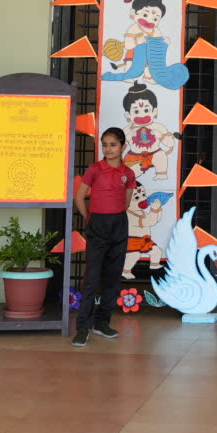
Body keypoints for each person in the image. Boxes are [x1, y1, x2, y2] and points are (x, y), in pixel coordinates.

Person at [72, 128, 141, 346]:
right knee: (92, 278)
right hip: (97, 226)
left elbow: (126, 201)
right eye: (104, 145)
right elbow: (79, 197)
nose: (108, 149)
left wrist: (113, 216)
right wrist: (90, 218)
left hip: (118, 225)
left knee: (112, 276)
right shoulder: (95, 168)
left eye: (113, 145)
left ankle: (102, 323)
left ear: (123, 146)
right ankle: (83, 327)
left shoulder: (128, 173)